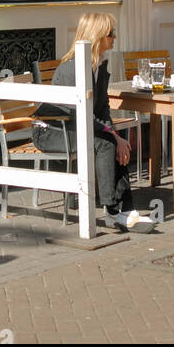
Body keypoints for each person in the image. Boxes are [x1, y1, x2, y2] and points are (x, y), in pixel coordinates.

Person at [31, 13, 135, 223]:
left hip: (74, 126)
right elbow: (77, 113)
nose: (114, 37)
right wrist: (113, 137)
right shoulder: (74, 67)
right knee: (106, 143)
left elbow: (103, 108)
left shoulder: (100, 65)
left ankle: (123, 207)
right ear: (97, 36)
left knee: (112, 141)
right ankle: (113, 209)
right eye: (110, 33)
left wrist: (115, 135)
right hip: (51, 130)